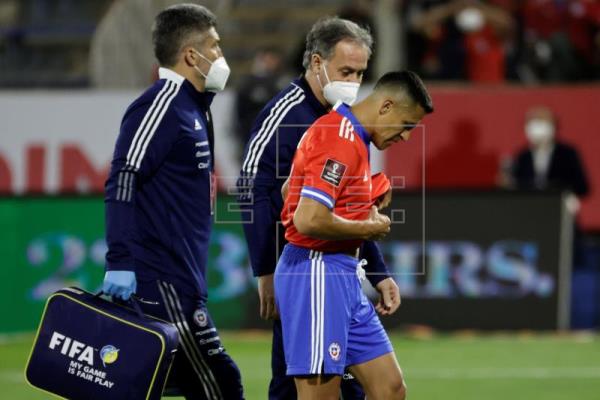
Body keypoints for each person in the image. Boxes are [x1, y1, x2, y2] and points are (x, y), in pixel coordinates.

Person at [237, 17, 397, 400]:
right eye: (345, 71)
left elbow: (354, 207)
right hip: (300, 272)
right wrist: (265, 270)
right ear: (316, 63)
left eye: (360, 73)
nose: (354, 82)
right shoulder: (286, 114)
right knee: (297, 385)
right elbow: (251, 188)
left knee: (355, 387)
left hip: (338, 274)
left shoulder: (347, 124)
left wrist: (378, 272)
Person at [101, 4, 244, 399]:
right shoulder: (160, 105)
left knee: (150, 386)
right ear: (190, 56)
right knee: (220, 383)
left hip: (182, 279)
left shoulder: (194, 107)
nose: (220, 55)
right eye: (214, 46)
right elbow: (123, 178)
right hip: (161, 279)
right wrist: (120, 260)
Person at [274, 71, 433, 400]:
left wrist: (360, 207)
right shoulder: (340, 138)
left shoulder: (351, 137)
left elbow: (290, 189)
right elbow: (308, 219)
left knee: (389, 389)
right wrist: (369, 227)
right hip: (316, 272)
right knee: (321, 396)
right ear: (386, 106)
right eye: (406, 126)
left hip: (343, 274)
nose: (405, 138)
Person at [511, 106, 589, 198]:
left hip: (559, 207)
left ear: (553, 126)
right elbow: (516, 186)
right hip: (530, 207)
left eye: (542, 123)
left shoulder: (567, 154)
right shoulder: (523, 156)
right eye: (534, 123)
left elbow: (582, 187)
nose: (538, 128)